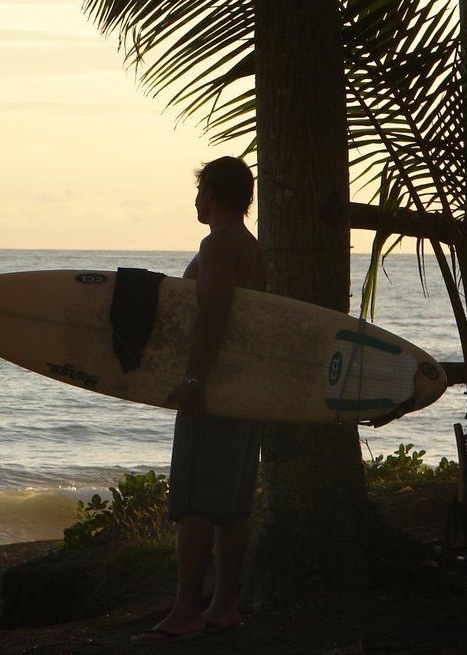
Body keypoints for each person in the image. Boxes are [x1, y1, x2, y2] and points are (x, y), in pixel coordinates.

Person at [132, 156, 266, 645]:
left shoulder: (219, 244)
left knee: (193, 505)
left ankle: (186, 611)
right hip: (243, 389)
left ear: (211, 192)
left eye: (199, 191)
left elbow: (213, 311)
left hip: (213, 390)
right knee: (232, 507)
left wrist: (192, 380)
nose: (195, 200)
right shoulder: (251, 246)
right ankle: (224, 606)